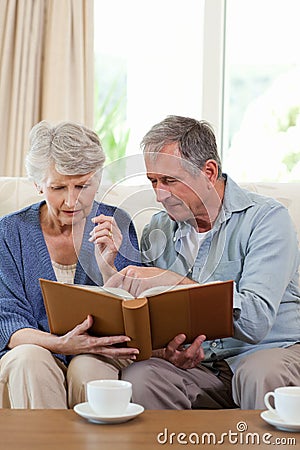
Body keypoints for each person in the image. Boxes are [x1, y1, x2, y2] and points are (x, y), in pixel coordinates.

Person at [106, 115, 300, 410]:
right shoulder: (157, 230)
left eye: (170, 181)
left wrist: (173, 282)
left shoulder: (267, 220)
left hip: (267, 352)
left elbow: (255, 322)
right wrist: (164, 352)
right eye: (153, 182)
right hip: (203, 368)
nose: (159, 195)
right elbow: (150, 321)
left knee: (259, 373)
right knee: (141, 377)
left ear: (209, 172)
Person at [0, 121, 141, 409]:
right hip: (33, 349)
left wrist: (107, 268)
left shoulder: (118, 224)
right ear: (38, 184)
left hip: (100, 350)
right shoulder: (9, 233)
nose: (72, 200)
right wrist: (62, 344)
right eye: (58, 187)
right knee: (30, 359)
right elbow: (7, 320)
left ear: (98, 180)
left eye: (82, 185)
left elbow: (135, 312)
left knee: (88, 367)